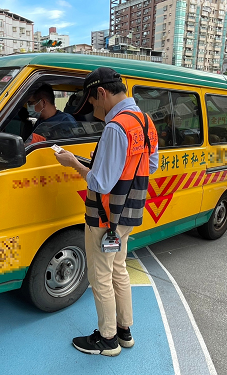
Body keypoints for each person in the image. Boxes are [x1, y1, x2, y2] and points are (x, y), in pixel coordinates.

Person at [54, 67, 159, 356]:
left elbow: (100, 182)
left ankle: (108, 339)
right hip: (129, 212)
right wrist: (102, 164)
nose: (92, 108)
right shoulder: (145, 121)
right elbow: (149, 166)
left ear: (101, 93)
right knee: (119, 270)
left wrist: (74, 163)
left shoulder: (116, 127)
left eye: (92, 101)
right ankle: (125, 331)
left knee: (100, 276)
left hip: (105, 215)